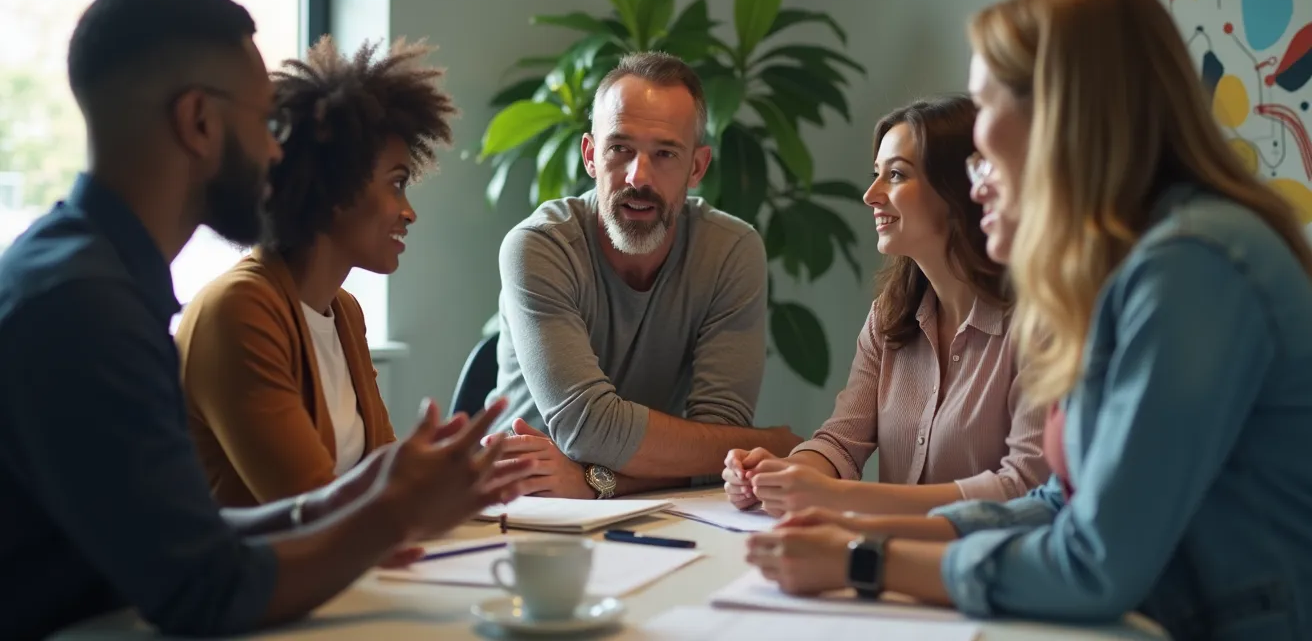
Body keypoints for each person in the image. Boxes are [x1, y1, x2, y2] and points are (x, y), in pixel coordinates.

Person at [742, 0, 1312, 638]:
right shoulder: (1136, 268)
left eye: (984, 107)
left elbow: (1094, 562)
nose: (974, 165)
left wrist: (865, 560)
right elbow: (1058, 503)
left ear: (1061, 114)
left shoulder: (1193, 267)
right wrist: (854, 527)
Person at [0, 0, 526, 639]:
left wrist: (355, 494)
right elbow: (205, 591)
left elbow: (182, 529)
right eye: (264, 121)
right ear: (199, 122)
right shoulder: (84, 308)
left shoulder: (83, 274)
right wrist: (395, 513)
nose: (279, 151)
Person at [488, 51, 802, 500]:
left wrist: (595, 483)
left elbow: (723, 433)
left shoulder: (731, 251)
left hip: (654, 507)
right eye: (620, 148)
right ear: (591, 156)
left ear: (697, 167)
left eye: (665, 153)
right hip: (521, 505)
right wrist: (769, 444)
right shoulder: (540, 245)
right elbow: (591, 429)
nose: (639, 176)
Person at [721, 96, 1048, 518]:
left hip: (982, 571)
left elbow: (1024, 486)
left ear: (960, 190)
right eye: (876, 175)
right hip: (891, 561)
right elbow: (841, 441)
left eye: (896, 175)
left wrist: (836, 497)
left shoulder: (1037, 324)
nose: (871, 195)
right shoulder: (888, 316)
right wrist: (782, 474)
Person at [175, 35, 456, 506]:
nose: (409, 212)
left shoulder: (343, 312)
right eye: (397, 183)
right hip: (268, 577)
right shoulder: (238, 310)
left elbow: (379, 481)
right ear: (335, 186)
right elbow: (310, 507)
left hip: (341, 572)